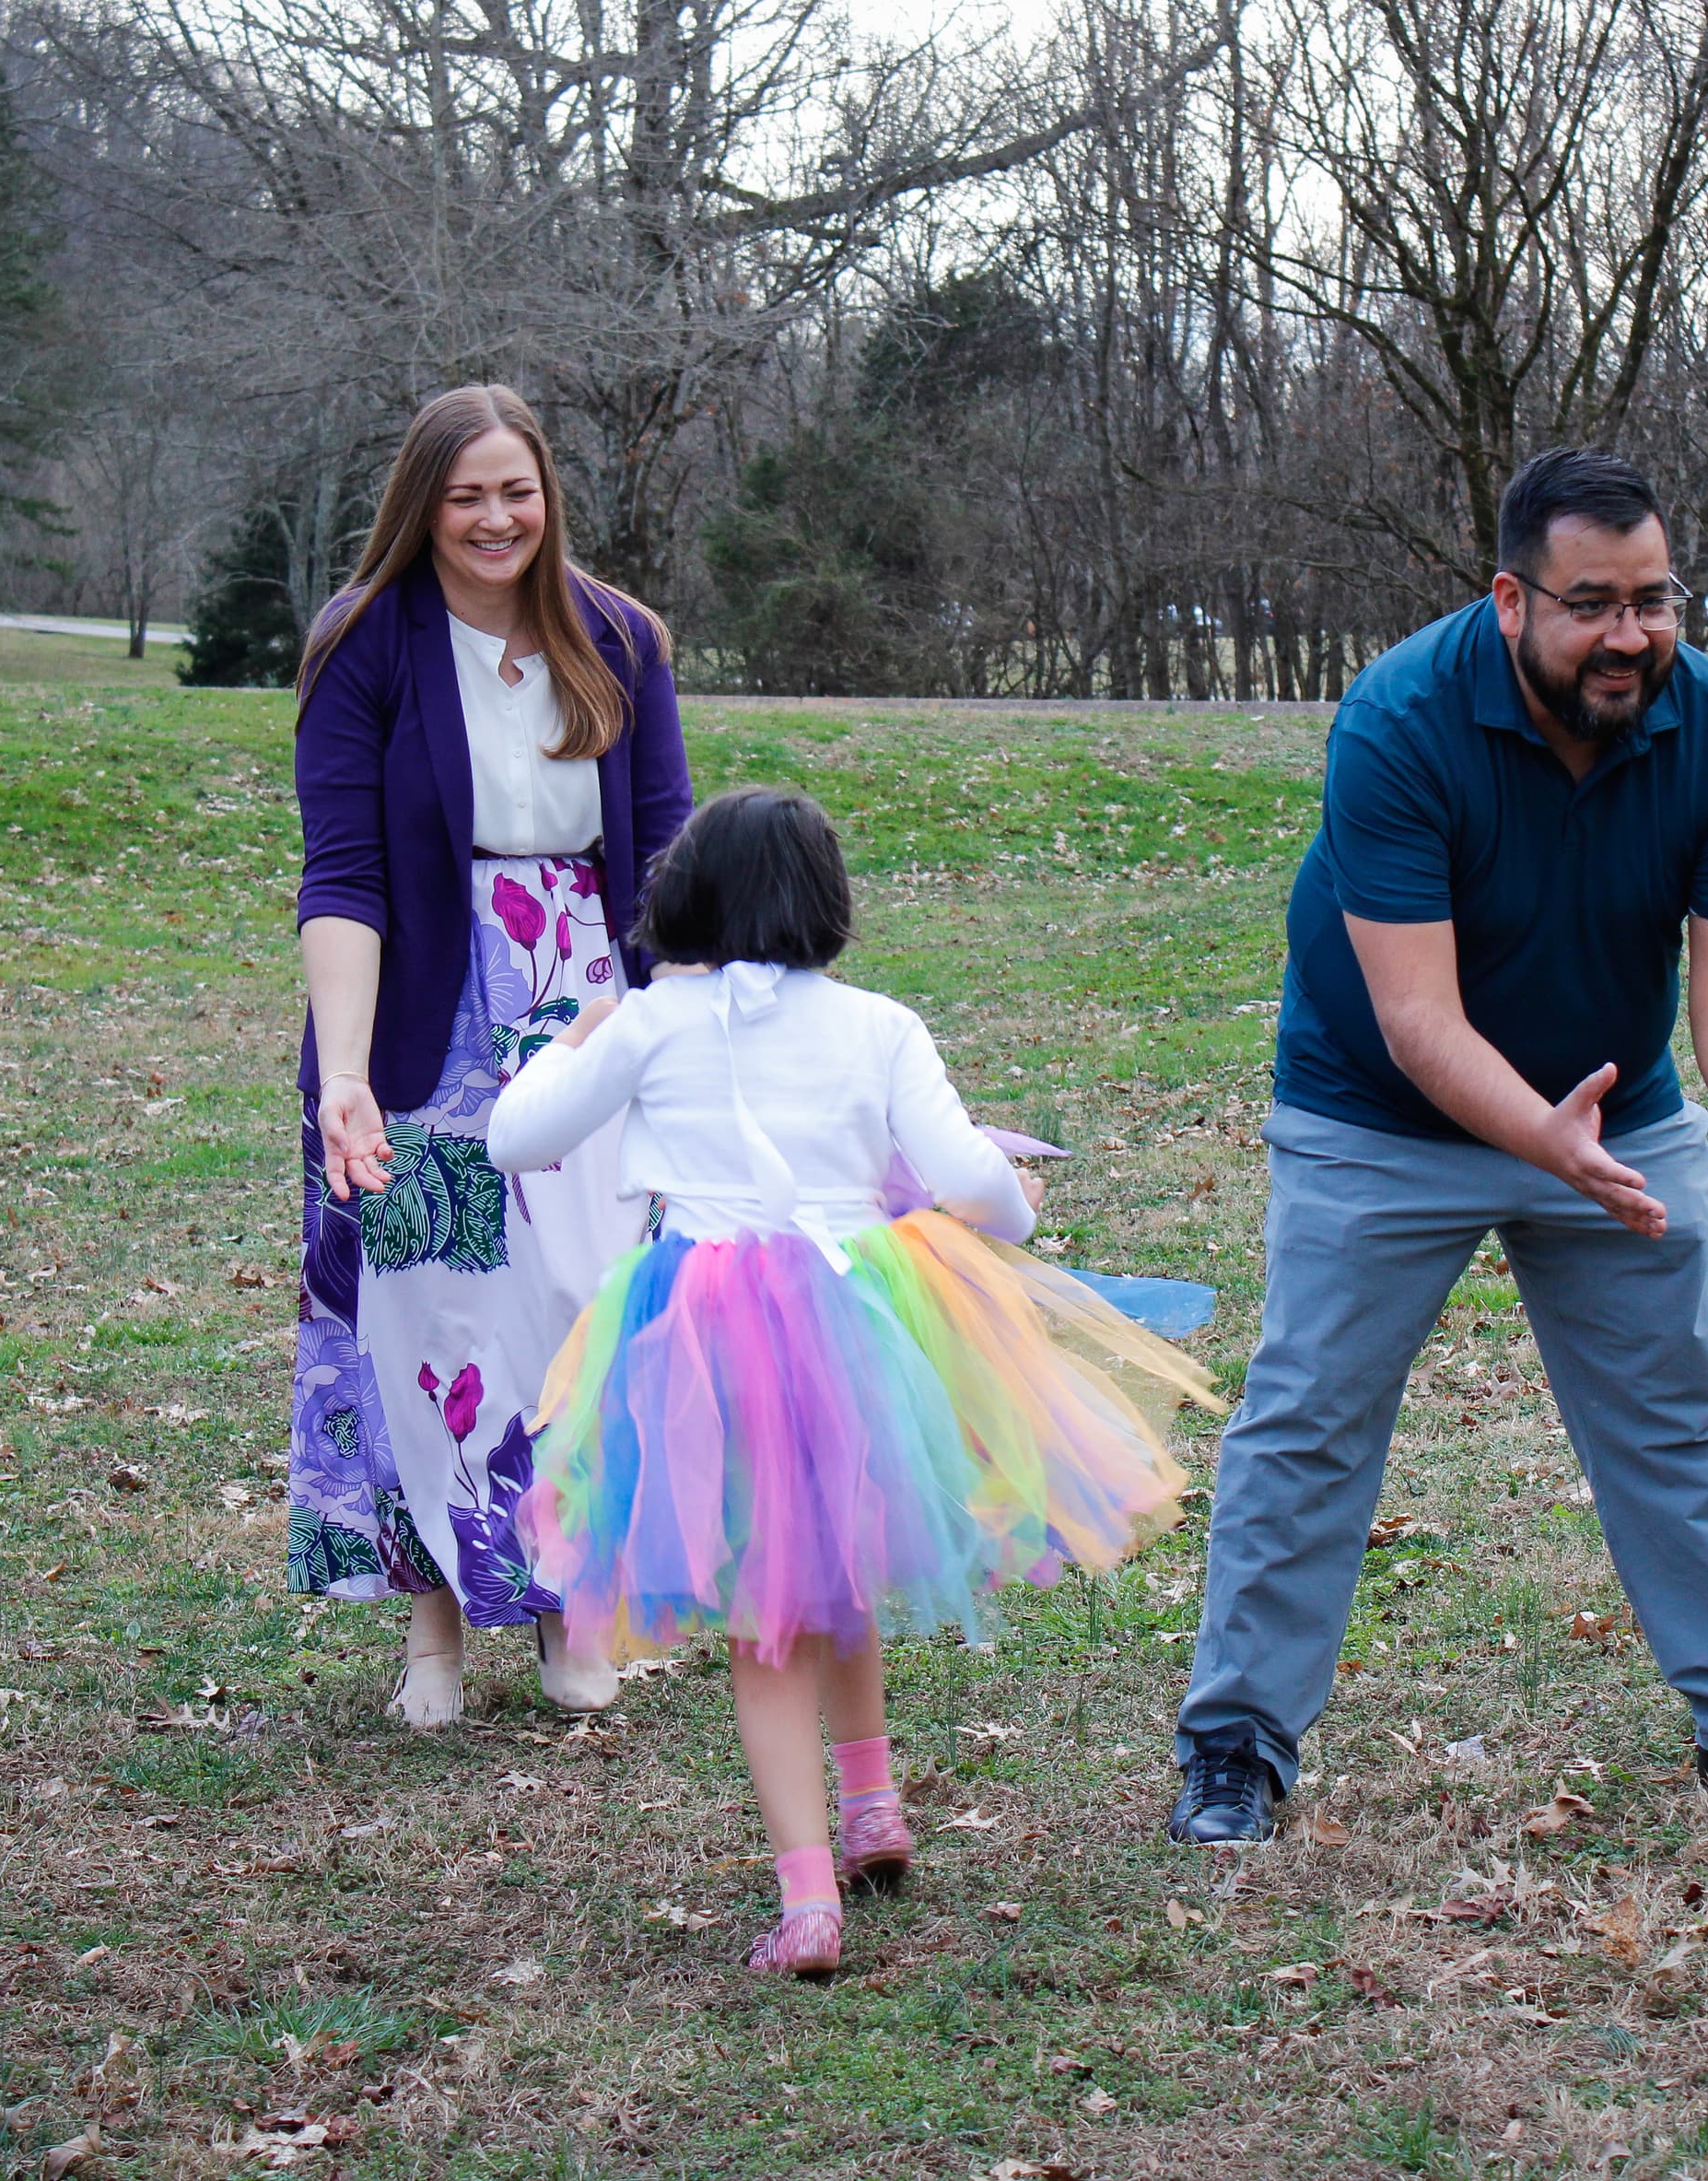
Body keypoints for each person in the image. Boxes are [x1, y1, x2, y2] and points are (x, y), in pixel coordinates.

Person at [1170, 446, 1708, 1848]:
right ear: (1511, 599)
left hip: (1618, 1120)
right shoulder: (1398, 721)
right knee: (1308, 1418)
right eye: (1593, 603)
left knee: (1675, 1416)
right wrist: (1537, 1139)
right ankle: (1239, 1743)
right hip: (1379, 1118)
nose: (1631, 635)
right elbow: (1418, 1018)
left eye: (1656, 600)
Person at [487, 788, 1199, 1981]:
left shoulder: (653, 1022)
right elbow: (974, 1176)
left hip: (702, 1331)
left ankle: (811, 1895)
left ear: (689, 895)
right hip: (857, 1315)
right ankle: (870, 1805)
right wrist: (1013, 1211)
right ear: (824, 902)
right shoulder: (878, 1025)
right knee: (842, 1559)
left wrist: (573, 1039)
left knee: (770, 1615)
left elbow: (517, 1138)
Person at [289, 384, 692, 1728]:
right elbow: (342, 874)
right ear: (423, 504)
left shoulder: (619, 637)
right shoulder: (367, 644)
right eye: (465, 495)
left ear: (548, 494)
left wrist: (671, 1025)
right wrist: (346, 1074)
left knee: (585, 1303)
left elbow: (672, 859)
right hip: (424, 1017)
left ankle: (579, 1606)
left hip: (584, 999)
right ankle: (435, 1638)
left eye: (515, 490)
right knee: (432, 1319)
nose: (495, 517)